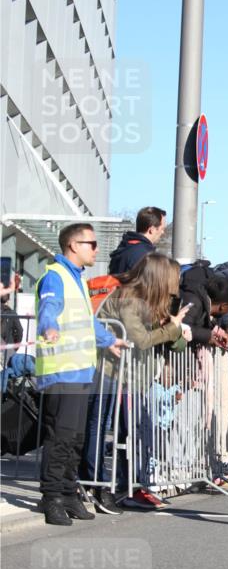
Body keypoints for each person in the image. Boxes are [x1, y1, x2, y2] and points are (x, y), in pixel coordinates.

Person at [35, 223, 127, 526]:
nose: (96, 249)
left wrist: (109, 340)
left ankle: (69, 492)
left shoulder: (77, 279)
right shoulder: (55, 277)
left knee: (75, 438)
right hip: (61, 371)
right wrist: (48, 325)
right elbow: (50, 307)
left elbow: (87, 323)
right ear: (74, 245)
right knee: (60, 438)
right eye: (92, 243)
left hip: (81, 371)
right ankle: (52, 498)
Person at [86, 254, 191, 512]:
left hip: (132, 377)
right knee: (102, 430)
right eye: (171, 279)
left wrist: (175, 330)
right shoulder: (129, 299)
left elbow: (165, 340)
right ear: (158, 278)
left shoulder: (149, 302)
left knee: (130, 433)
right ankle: (97, 485)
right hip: (113, 374)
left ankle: (128, 485)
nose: (175, 285)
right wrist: (173, 327)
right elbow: (141, 339)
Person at [108, 207, 167, 275]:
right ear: (152, 229)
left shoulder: (125, 247)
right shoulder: (144, 255)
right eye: (162, 229)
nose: (163, 232)